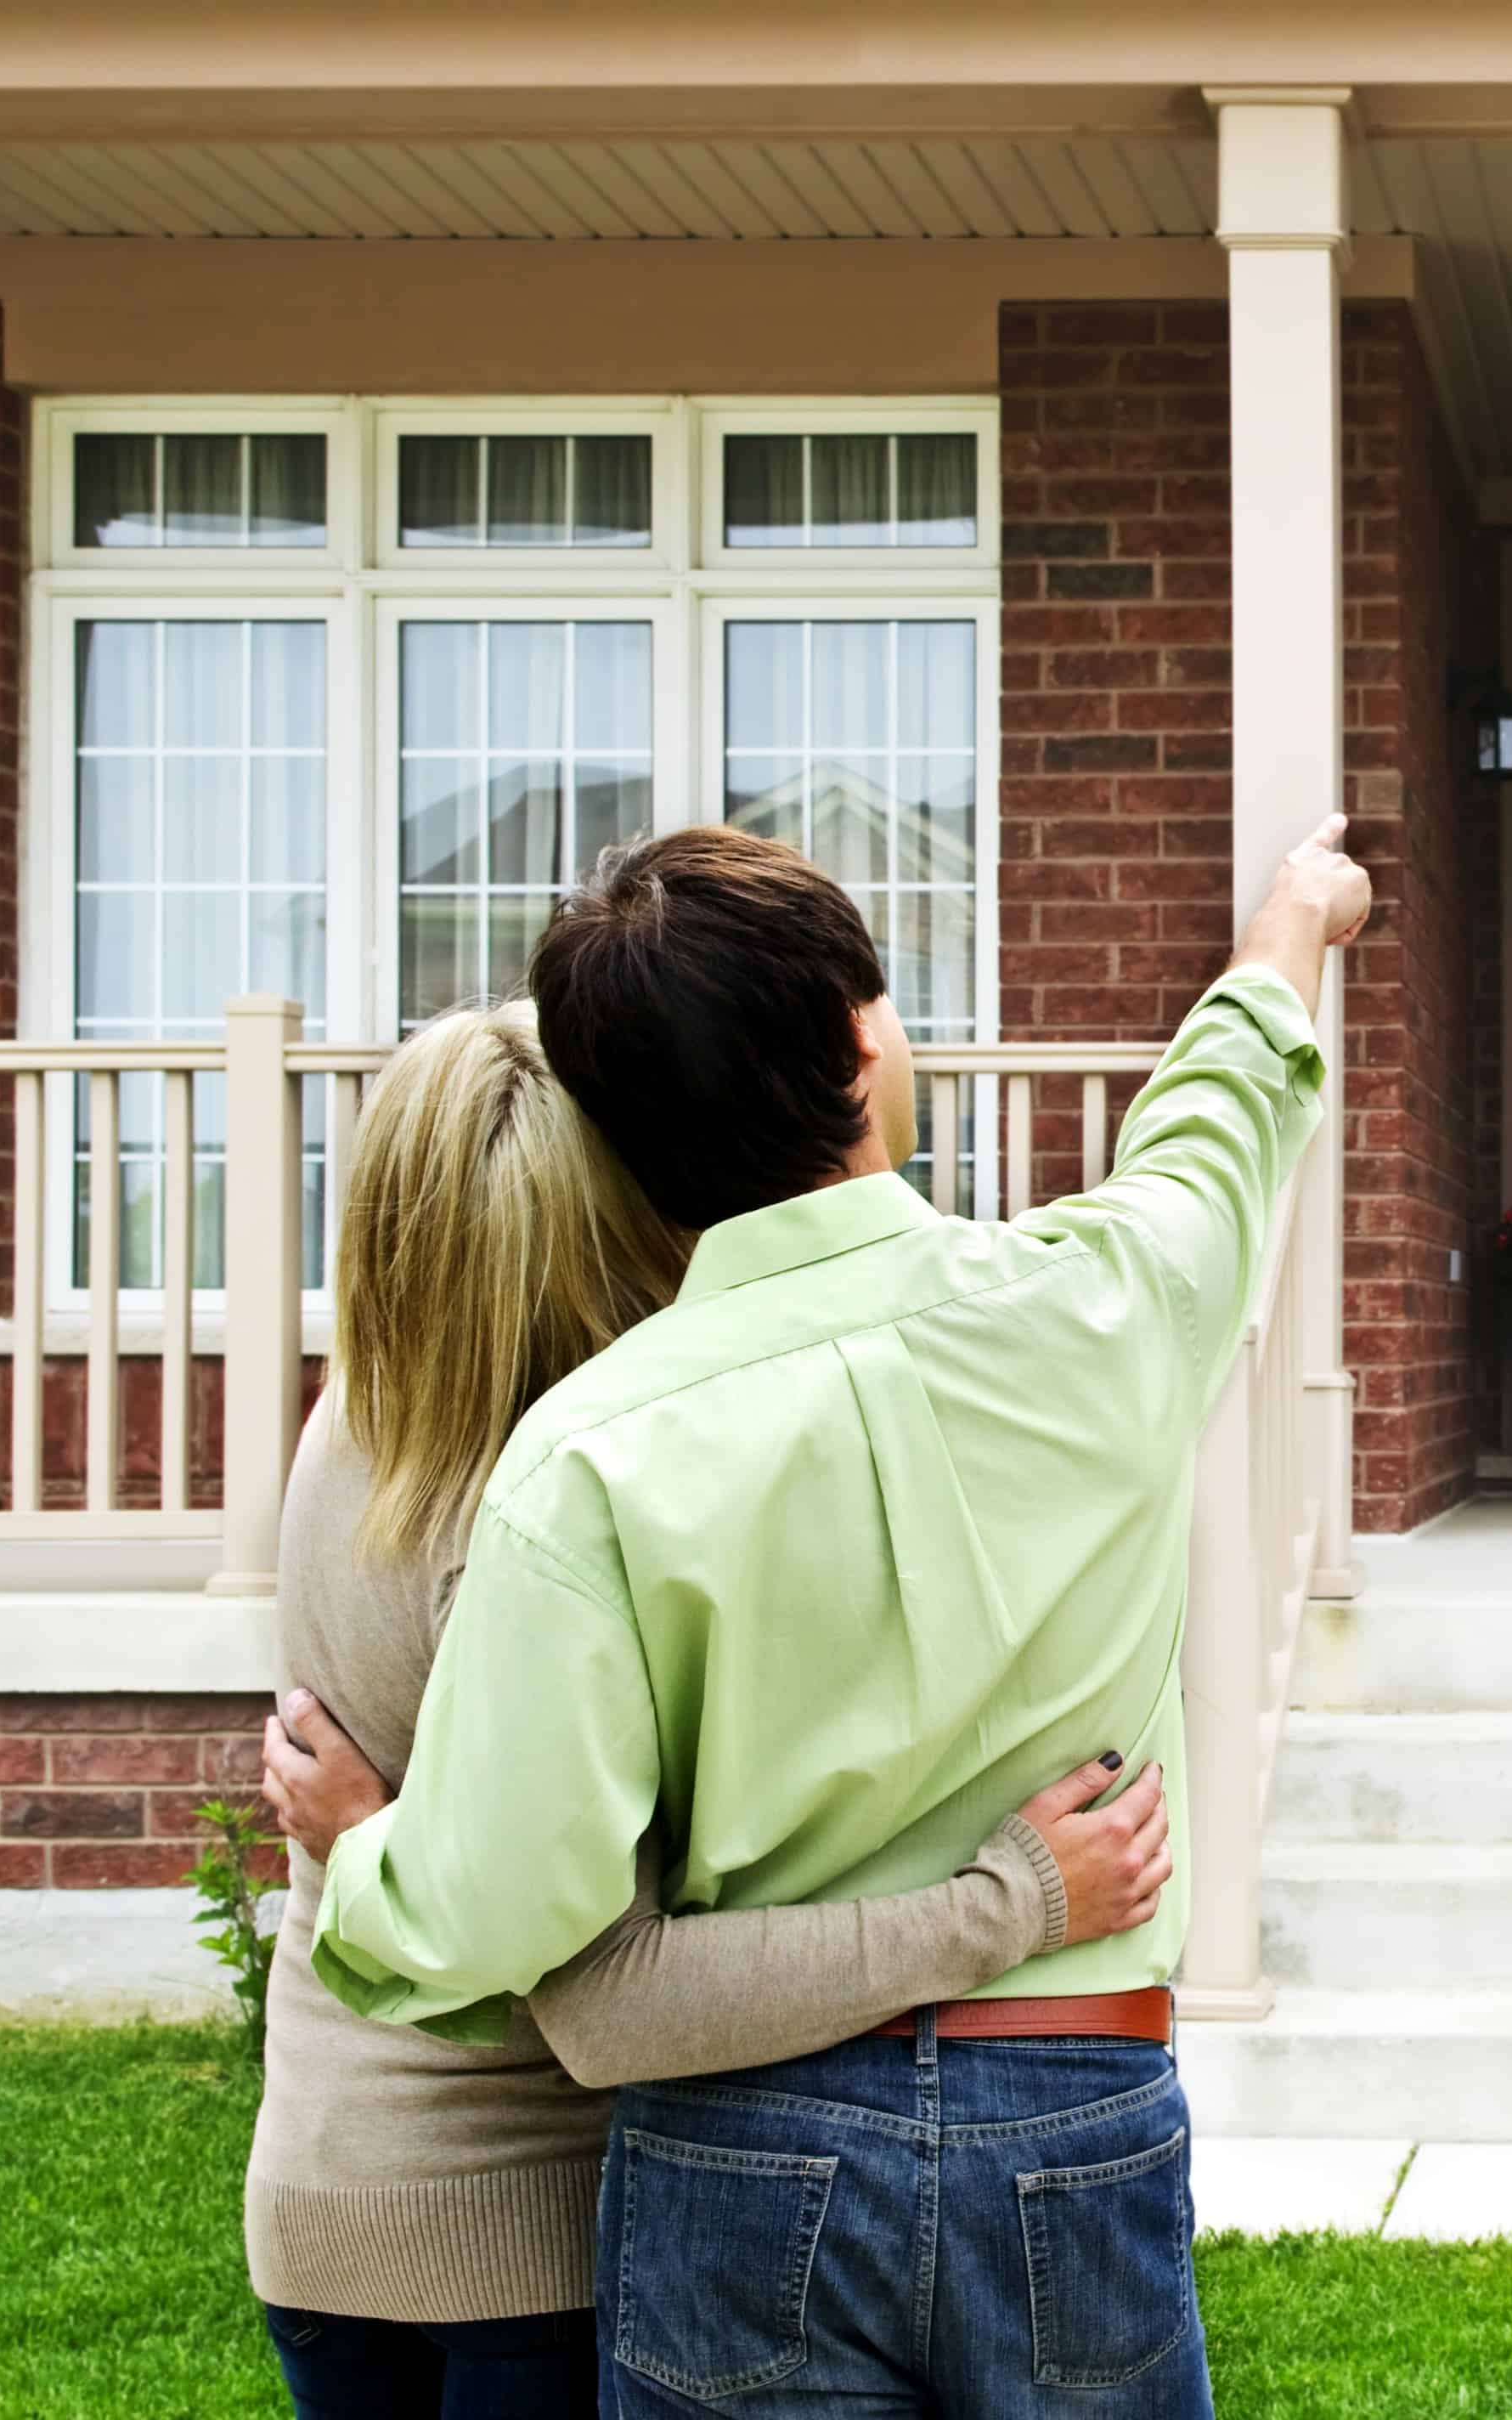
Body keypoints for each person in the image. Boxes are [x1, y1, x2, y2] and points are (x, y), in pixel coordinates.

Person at [274, 813, 1366, 2417]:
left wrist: (364, 1852)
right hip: (1072, 2098)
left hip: (735, 2140)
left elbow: (495, 1916)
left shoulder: (581, 1461)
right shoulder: (1105, 1305)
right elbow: (1218, 1126)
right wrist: (1294, 925)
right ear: (868, 1044)